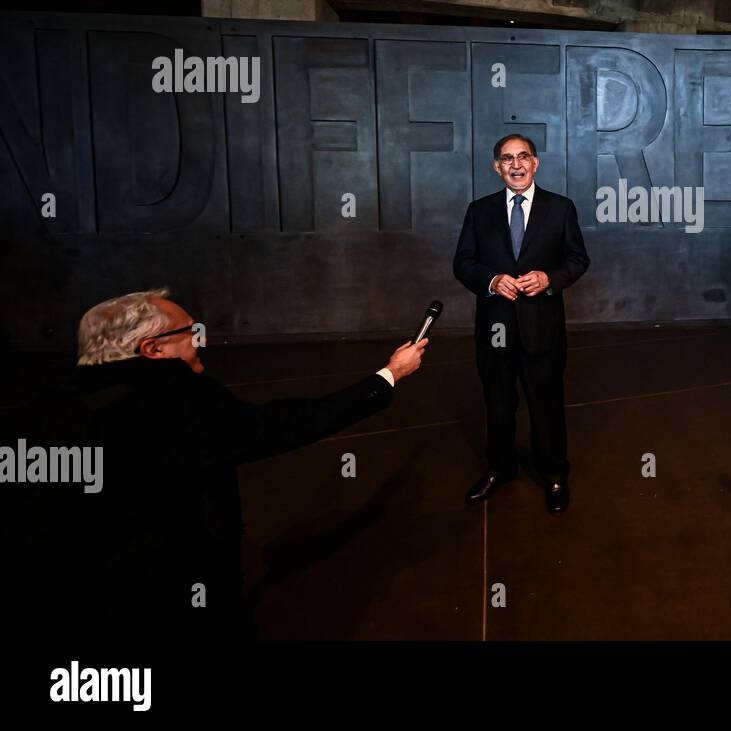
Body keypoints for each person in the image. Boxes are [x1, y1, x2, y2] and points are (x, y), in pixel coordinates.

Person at [3, 287, 426, 638]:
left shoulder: (44, 407)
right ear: (152, 348)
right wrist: (389, 375)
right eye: (191, 332)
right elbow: (292, 424)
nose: (201, 338)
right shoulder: (177, 403)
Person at [453, 134, 590, 515]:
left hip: (541, 329)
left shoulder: (560, 209)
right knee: (497, 404)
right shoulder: (479, 211)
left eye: (523, 157)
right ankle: (501, 468)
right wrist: (492, 282)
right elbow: (462, 264)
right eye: (507, 159)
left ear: (536, 162)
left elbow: (578, 260)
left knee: (546, 406)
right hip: (494, 330)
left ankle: (554, 473)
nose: (516, 165)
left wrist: (549, 279)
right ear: (497, 167)